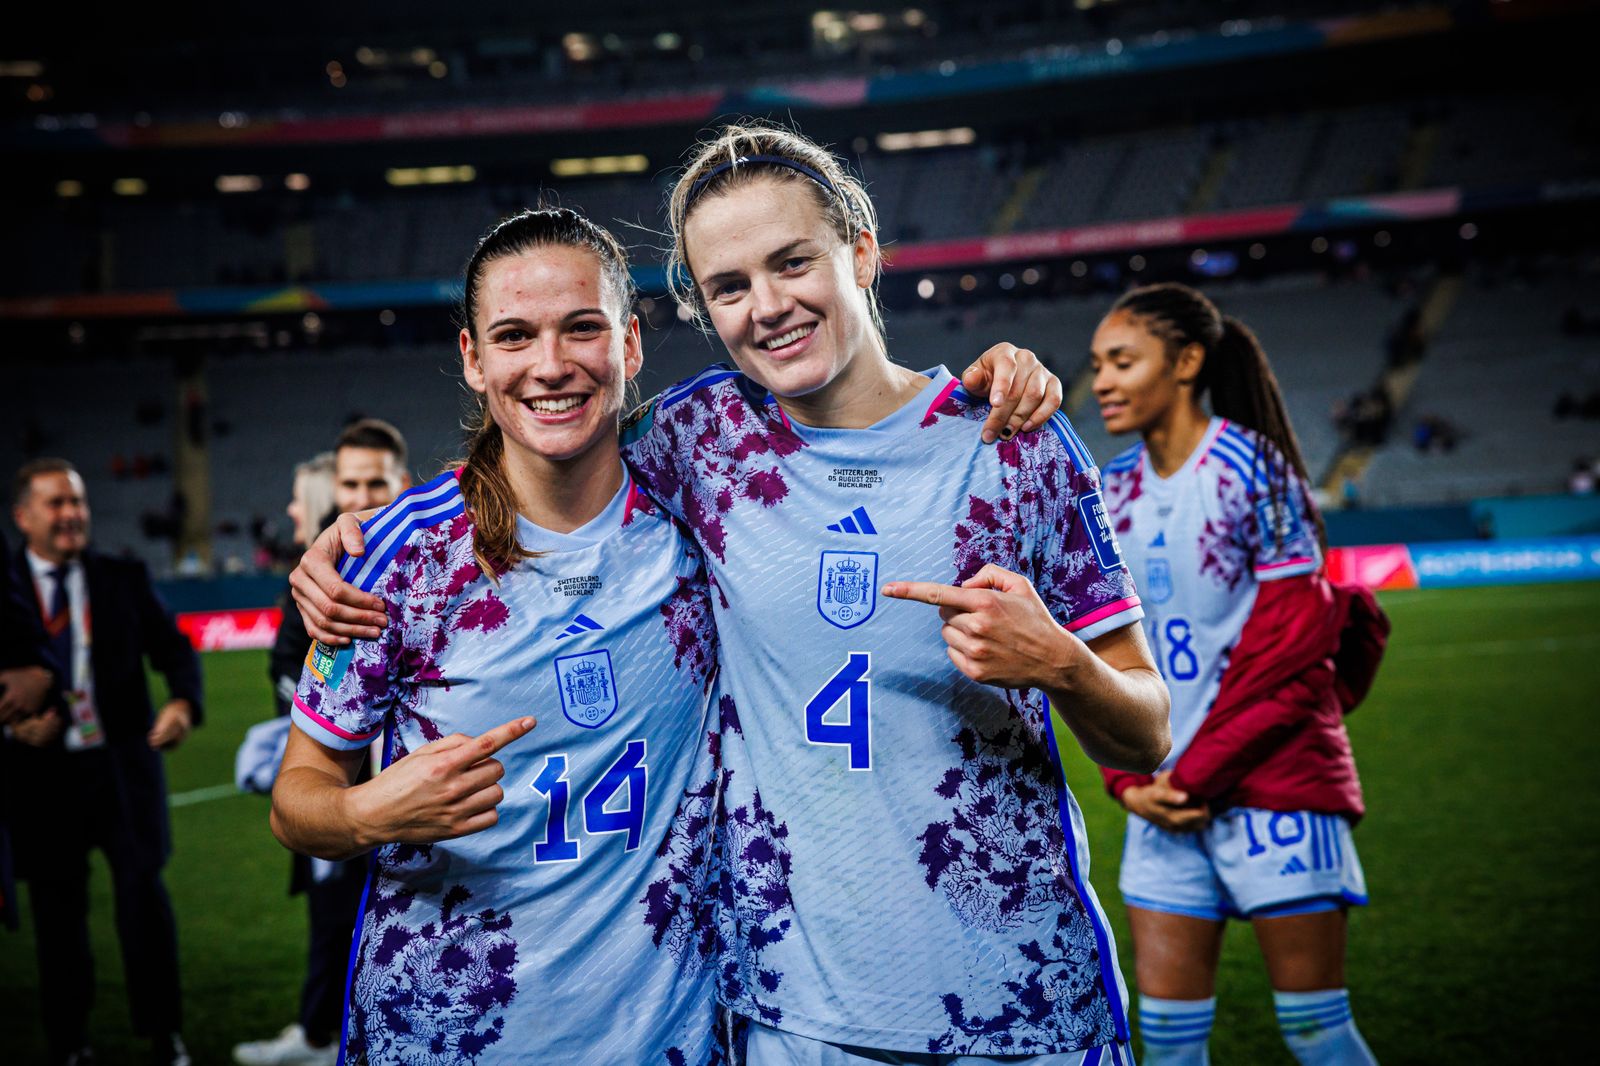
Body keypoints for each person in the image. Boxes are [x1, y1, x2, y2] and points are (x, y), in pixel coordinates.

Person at [295, 122, 1166, 1064]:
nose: (768, 306)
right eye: (729, 287)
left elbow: (1147, 730)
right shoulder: (703, 442)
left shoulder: (1014, 443)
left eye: (793, 263)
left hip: (1021, 998)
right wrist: (351, 543)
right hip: (789, 1016)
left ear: (862, 252)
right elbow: (542, 444)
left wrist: (1066, 665)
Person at [269, 208, 740, 1063]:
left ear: (630, 345)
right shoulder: (397, 560)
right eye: (515, 336)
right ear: (474, 359)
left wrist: (997, 386)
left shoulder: (707, 513)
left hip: (662, 1038)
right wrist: (364, 811)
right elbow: (296, 796)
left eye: (582, 329)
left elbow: (851, 420)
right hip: (443, 1036)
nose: (551, 365)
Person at [1089, 283, 1387, 1066]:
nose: (1102, 382)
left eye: (1123, 361)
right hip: (1162, 803)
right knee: (1171, 1045)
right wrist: (1130, 784)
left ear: (1186, 362)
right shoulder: (1108, 492)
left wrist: (1188, 780)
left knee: (1318, 1033)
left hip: (1271, 785)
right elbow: (1090, 662)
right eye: (1096, 365)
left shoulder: (1258, 474)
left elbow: (1294, 665)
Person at [4, 458, 203, 1066]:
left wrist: (182, 704)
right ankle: (70, 1043)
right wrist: (11, 724)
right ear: (22, 516)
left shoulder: (122, 575)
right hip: (42, 781)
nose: (71, 515)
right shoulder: (4, 587)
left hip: (121, 769)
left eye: (78, 502)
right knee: (57, 914)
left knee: (144, 901)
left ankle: (165, 1035)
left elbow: (174, 648)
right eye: (56, 504)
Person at [234, 451, 368, 1066]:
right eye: (351, 482)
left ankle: (327, 1034)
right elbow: (292, 667)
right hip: (336, 789)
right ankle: (322, 1032)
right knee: (331, 914)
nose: (291, 509)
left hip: (382, 794)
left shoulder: (405, 558)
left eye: (372, 480)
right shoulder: (314, 576)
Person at [332, 418, 411, 513]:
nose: (363, 502)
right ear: (334, 485)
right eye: (350, 484)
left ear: (404, 484)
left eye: (376, 484)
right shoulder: (317, 527)